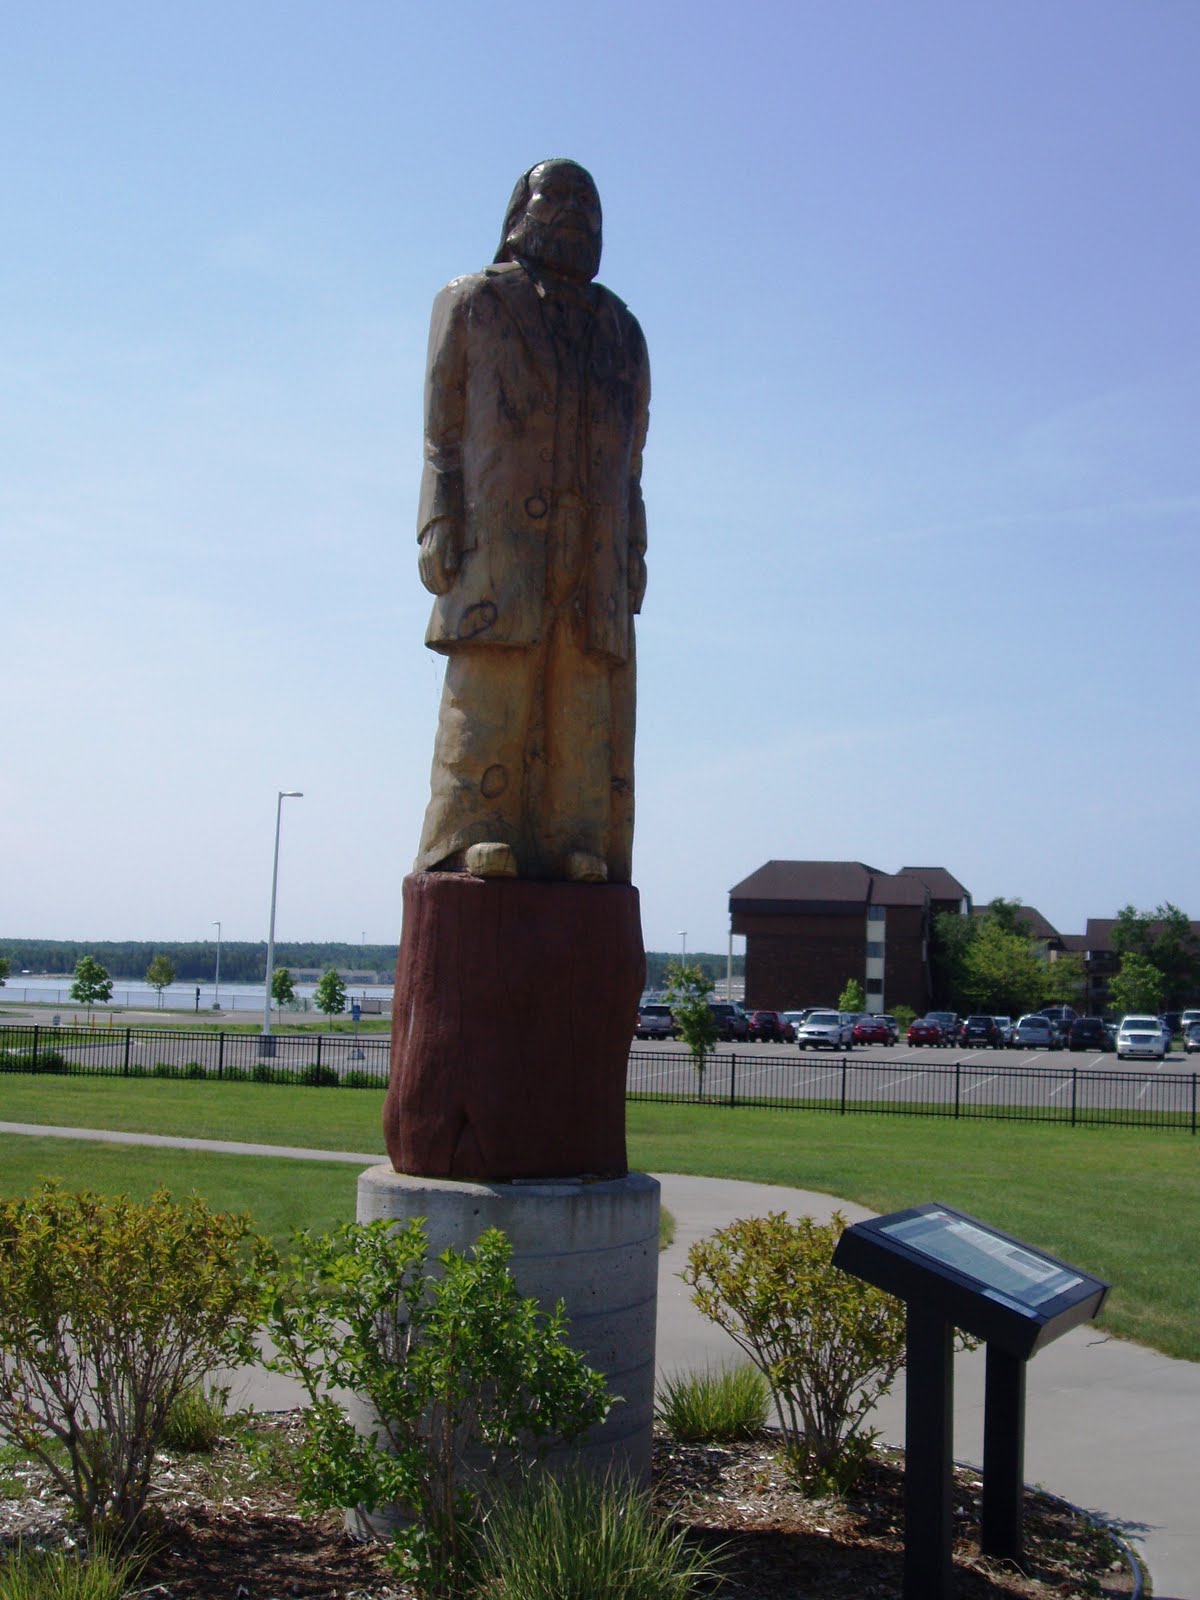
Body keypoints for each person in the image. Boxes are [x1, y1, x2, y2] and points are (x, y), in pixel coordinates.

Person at [414, 158, 650, 884]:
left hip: (594, 549)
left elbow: (633, 461)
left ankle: (574, 836)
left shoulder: (622, 332)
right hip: (500, 536)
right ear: (521, 209)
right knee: (493, 684)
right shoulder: (474, 302)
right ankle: (470, 829)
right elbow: (440, 428)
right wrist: (437, 518)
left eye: (589, 200)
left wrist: (634, 551)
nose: (575, 209)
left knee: (582, 699)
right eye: (559, 195)